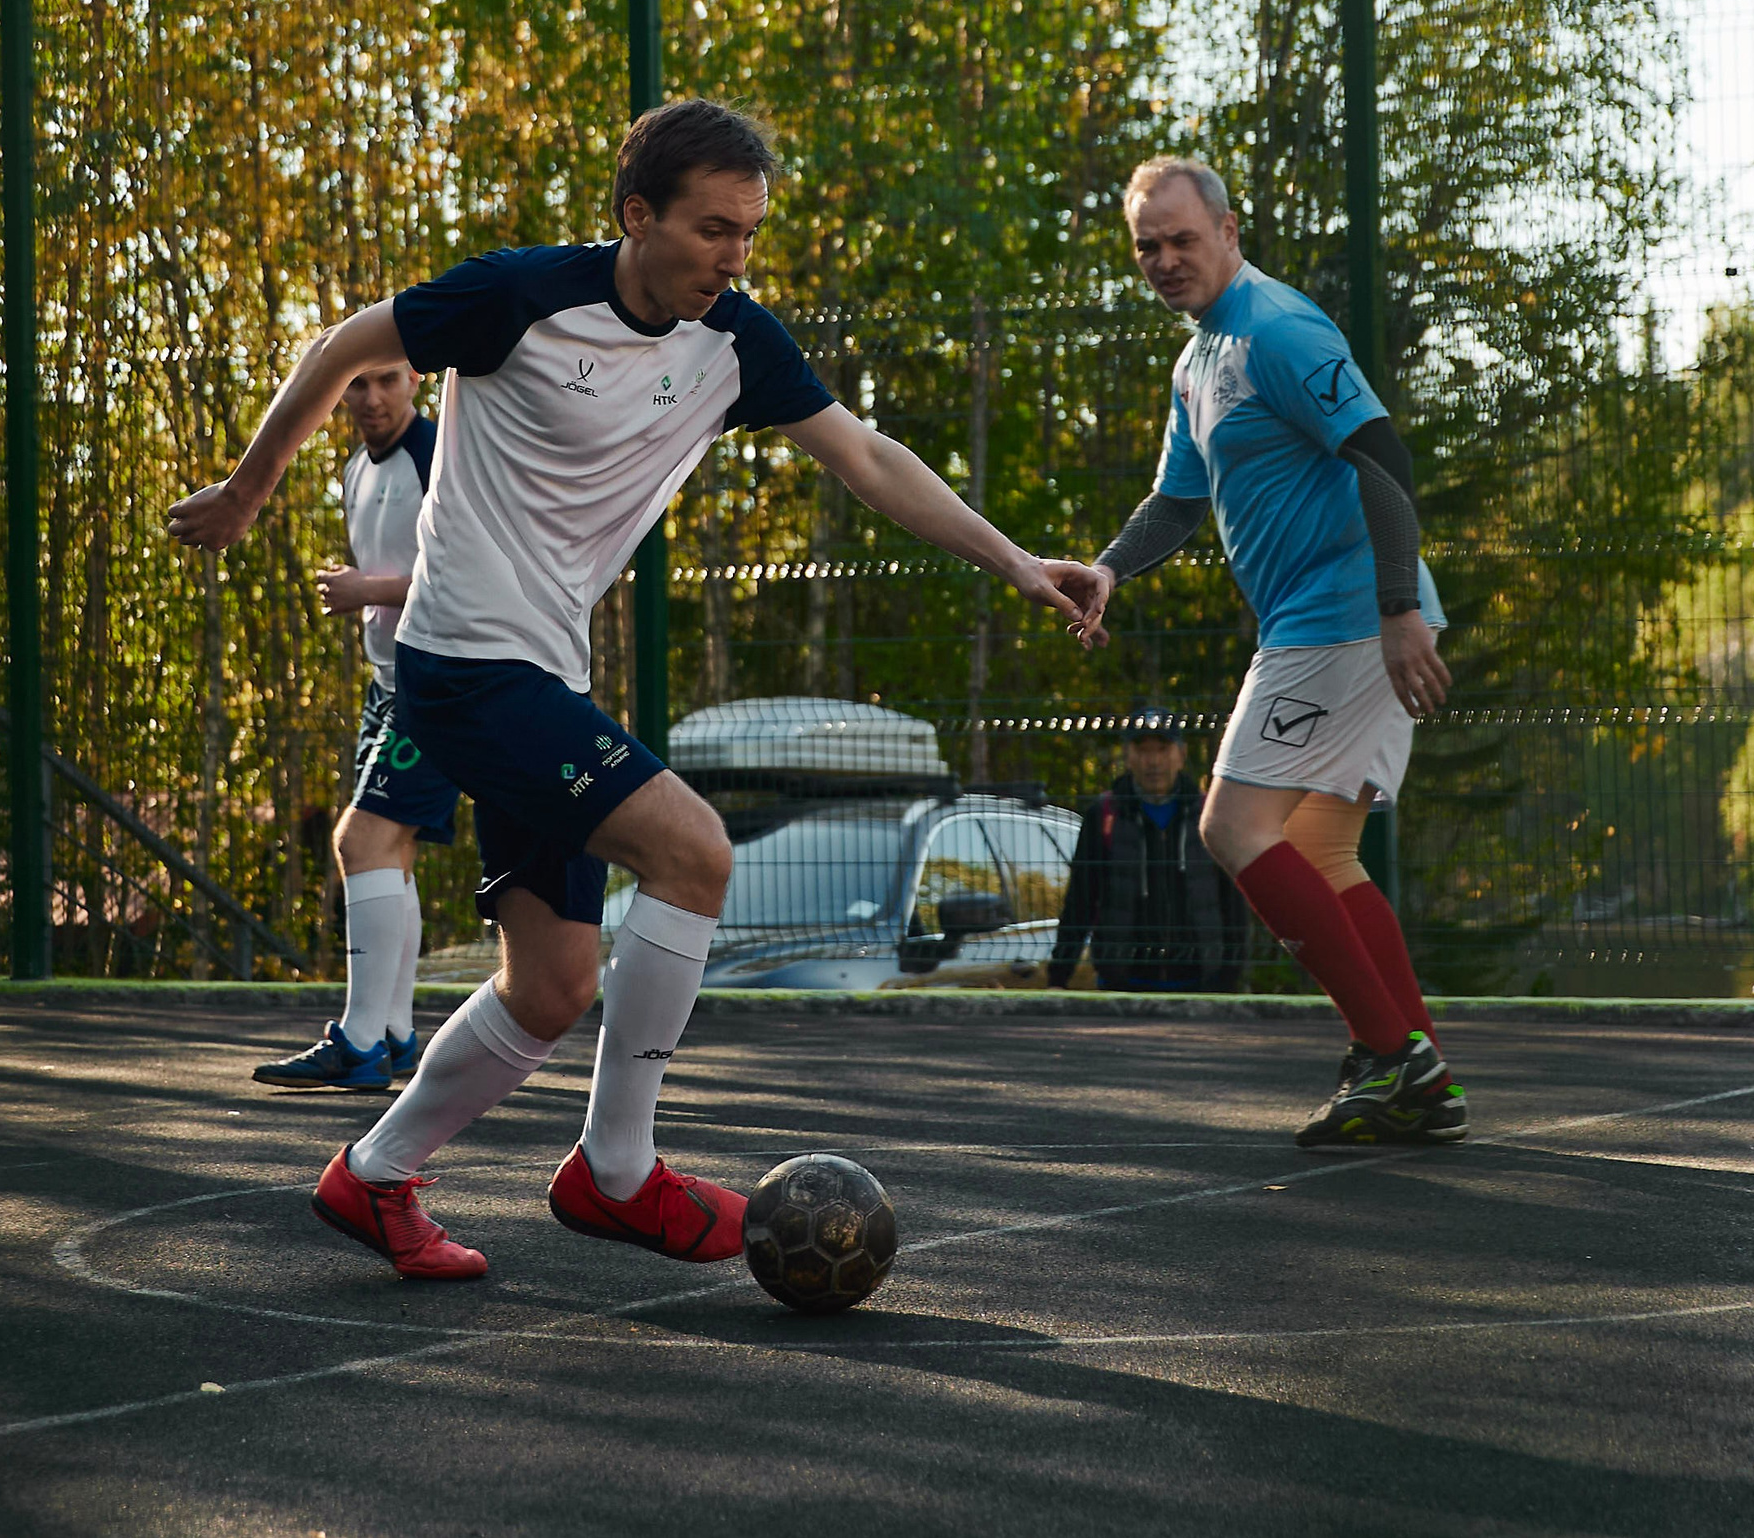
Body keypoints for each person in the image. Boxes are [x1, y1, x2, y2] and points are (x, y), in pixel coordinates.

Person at [168, 98, 1100, 1279]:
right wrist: (251, 490)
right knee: (695, 853)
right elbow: (346, 345)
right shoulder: (520, 295)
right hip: (461, 663)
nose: (733, 257)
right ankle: (616, 1171)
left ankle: (374, 1177)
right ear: (636, 216)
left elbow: (864, 457)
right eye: (713, 230)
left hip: (548, 667)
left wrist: (1015, 560)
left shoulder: (735, 345)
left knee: (553, 986)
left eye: (749, 235)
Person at [1071, 155, 1465, 1148]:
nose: (1163, 260)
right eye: (1146, 247)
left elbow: (1382, 456)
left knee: (1231, 828)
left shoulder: (1277, 328)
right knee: (1322, 851)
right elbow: (1177, 501)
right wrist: (1110, 569)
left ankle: (1391, 1053)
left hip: (1343, 619)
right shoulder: (1196, 361)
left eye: (1180, 240)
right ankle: (1421, 1073)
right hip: (1335, 622)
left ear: (1229, 231)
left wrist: (1395, 612)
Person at [252, 361, 461, 1091]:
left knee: (359, 839)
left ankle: (360, 1039)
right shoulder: (354, 470)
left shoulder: (440, 455)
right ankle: (396, 1032)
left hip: (440, 679)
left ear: (416, 381)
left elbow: (466, 568)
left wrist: (364, 588)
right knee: (388, 851)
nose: (371, 398)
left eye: (386, 381)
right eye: (356, 385)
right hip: (387, 683)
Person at [1045, 706, 1246, 993]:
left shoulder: (1208, 814)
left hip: (1201, 982)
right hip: (1122, 983)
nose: (1153, 762)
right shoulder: (1106, 814)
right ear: (1128, 756)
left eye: (1162, 750)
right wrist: (1059, 977)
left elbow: (1232, 904)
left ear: (1181, 754)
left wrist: (1229, 976)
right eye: (1143, 751)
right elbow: (1080, 900)